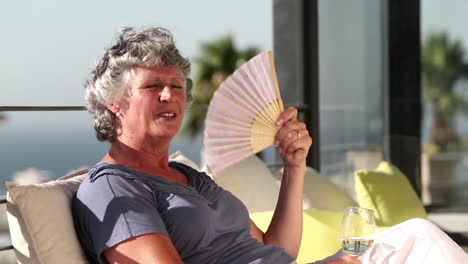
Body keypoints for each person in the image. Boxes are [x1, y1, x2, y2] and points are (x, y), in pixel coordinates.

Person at [72, 26, 468, 264]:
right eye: (153, 86)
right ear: (115, 104)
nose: (169, 96)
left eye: (176, 86)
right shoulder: (113, 188)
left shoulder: (189, 176)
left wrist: (294, 166)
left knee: (417, 234)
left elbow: (276, 248)